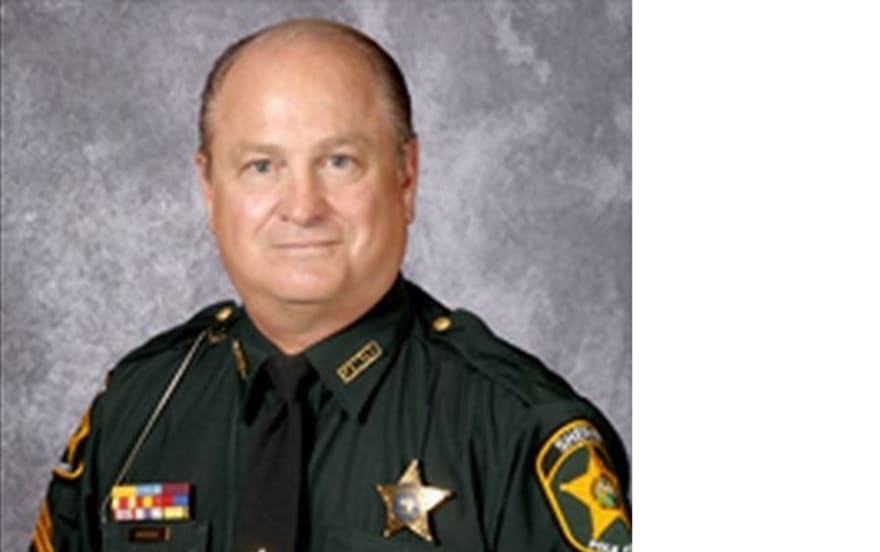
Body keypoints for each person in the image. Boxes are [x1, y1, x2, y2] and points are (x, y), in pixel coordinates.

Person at [30, 18, 631, 552]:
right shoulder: (137, 407)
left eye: (339, 161)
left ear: (406, 176)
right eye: (262, 166)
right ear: (210, 189)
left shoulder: (518, 431)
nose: (302, 207)